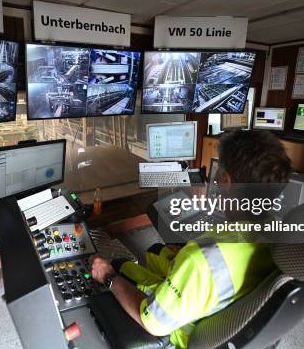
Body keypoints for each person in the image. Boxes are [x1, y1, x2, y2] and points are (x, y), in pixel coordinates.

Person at [90, 129, 293, 348]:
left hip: (180, 330)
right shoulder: (279, 229)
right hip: (216, 300)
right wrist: (187, 259)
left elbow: (153, 323)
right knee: (156, 251)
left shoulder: (200, 260)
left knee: (117, 267)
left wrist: (109, 276)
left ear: (227, 180)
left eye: (219, 166)